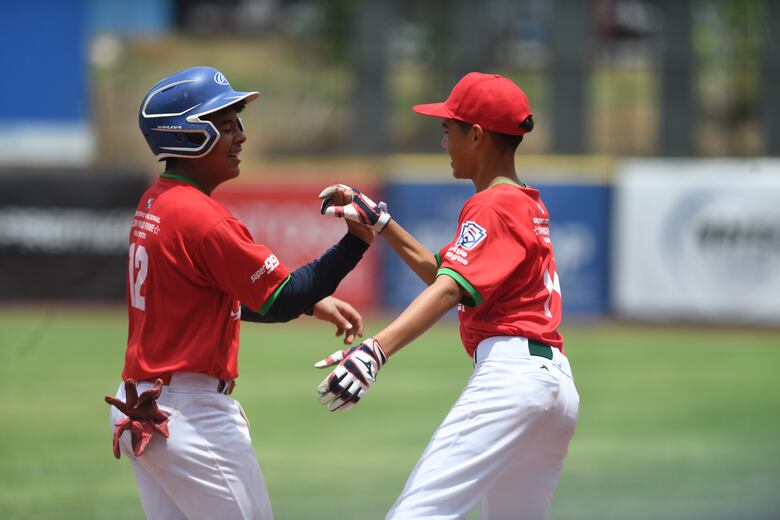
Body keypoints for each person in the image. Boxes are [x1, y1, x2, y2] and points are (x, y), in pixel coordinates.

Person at [105, 66, 374, 520]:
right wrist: (356, 242)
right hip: (188, 416)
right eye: (225, 126)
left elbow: (211, 298)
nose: (241, 137)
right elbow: (281, 297)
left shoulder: (157, 201)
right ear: (187, 136)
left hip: (147, 402)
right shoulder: (203, 218)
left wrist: (311, 302)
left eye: (237, 123)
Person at [316, 72, 580, 520]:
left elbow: (448, 288)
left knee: (417, 514)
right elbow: (447, 273)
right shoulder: (525, 202)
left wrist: (376, 350)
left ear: (476, 135)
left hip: (511, 379)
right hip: (552, 386)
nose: (443, 142)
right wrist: (382, 223)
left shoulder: (492, 203)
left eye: (448, 129)